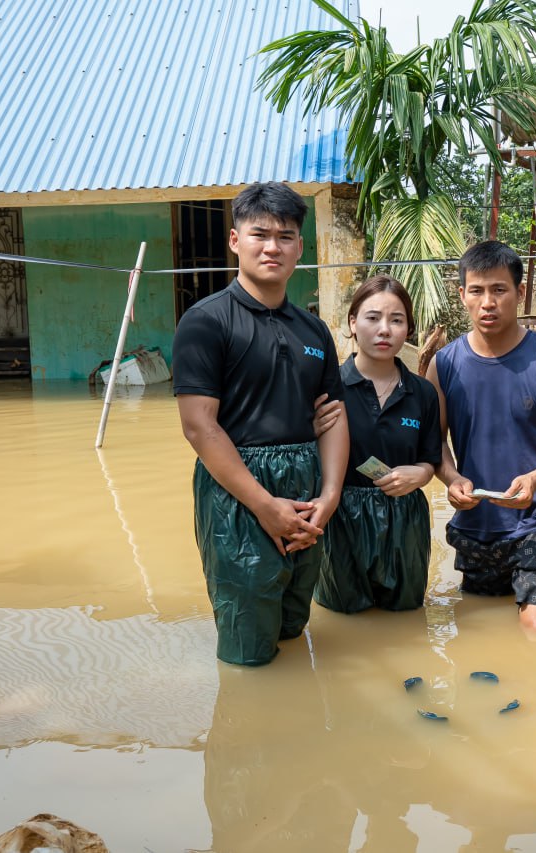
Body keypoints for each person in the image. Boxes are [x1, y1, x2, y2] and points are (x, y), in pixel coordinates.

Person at [172, 181, 349, 667]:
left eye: (285, 236)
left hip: (307, 491)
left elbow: (333, 416)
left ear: (300, 247)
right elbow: (199, 427)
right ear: (235, 240)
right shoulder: (206, 322)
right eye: (260, 234)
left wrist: (330, 496)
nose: (273, 247)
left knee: (293, 627)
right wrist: (265, 505)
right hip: (239, 493)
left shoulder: (313, 329)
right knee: (248, 644)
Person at [425, 240, 536, 630]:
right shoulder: (443, 365)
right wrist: (452, 479)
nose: (488, 303)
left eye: (499, 290)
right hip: (476, 524)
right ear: (462, 294)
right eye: (477, 291)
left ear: (520, 293)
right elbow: (435, 443)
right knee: (477, 630)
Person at [313, 276, 442, 613]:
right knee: (342, 617)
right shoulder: (327, 388)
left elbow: (431, 457)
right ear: (353, 323)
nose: (384, 330)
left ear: (408, 329)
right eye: (372, 318)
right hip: (341, 516)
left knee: (406, 617)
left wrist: (421, 474)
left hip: (405, 519)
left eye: (396, 320)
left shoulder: (423, 393)